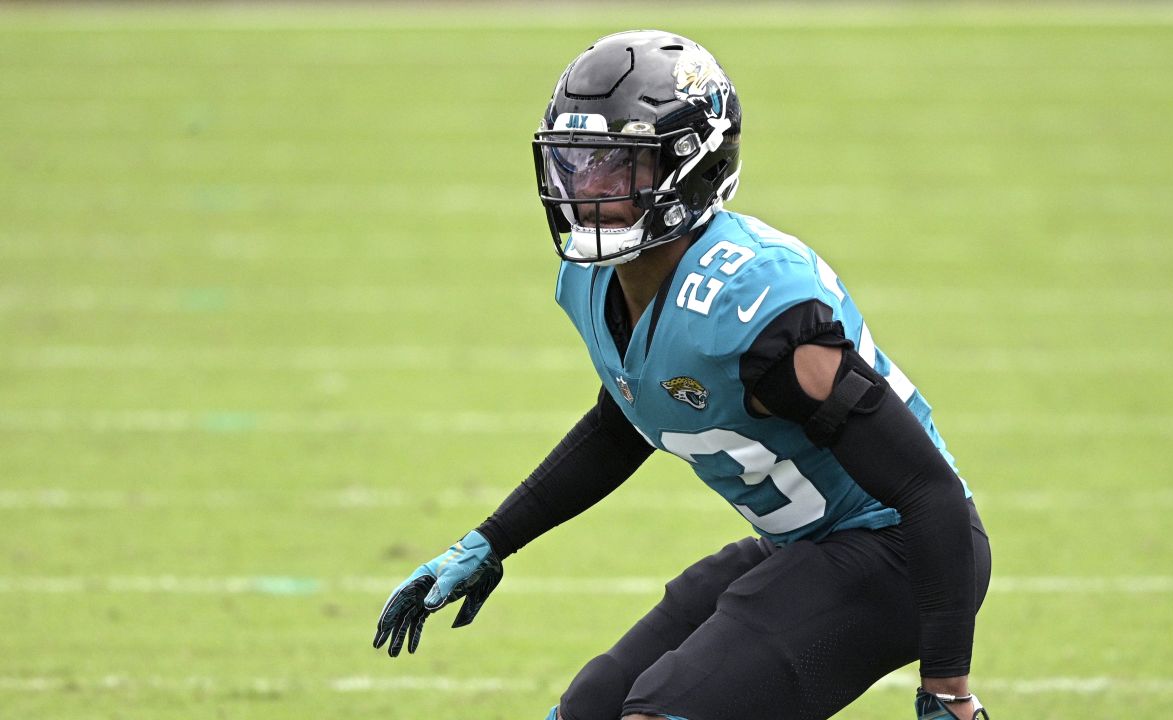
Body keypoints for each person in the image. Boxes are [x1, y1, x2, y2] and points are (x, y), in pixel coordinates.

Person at [373, 30, 993, 720]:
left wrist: (949, 692)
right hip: (801, 548)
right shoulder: (596, 284)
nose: (587, 190)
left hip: (903, 554)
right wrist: (491, 540)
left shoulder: (755, 307)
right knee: (589, 712)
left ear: (690, 166)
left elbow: (930, 493)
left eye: (617, 167)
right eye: (576, 165)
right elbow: (629, 419)